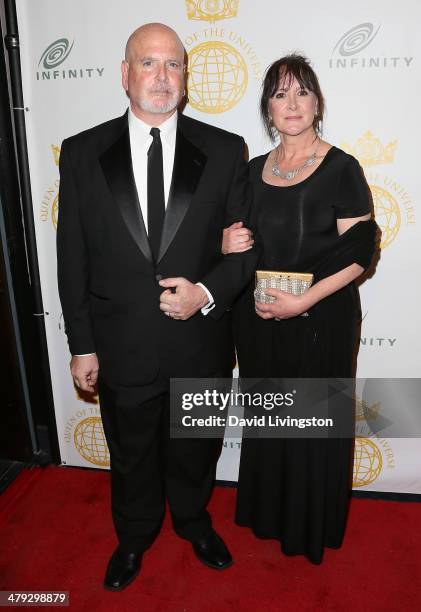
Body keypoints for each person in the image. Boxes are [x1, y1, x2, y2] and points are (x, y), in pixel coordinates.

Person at [57, 23, 258, 590]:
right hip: (121, 346)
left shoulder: (224, 151)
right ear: (126, 74)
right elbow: (72, 258)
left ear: (187, 78)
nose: (162, 76)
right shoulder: (81, 152)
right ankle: (135, 536)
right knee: (132, 456)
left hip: (200, 341)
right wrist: (82, 344)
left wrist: (205, 293)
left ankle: (195, 523)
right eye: (149, 63)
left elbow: (244, 254)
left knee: (196, 449)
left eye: (173, 65)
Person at [222, 54, 378, 564]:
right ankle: (269, 515)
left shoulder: (341, 168)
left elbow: (360, 253)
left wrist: (305, 300)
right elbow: (241, 241)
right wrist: (228, 243)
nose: (292, 104)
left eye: (302, 92)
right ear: (268, 107)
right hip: (263, 321)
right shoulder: (250, 172)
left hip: (321, 320)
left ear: (317, 103)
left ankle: (309, 528)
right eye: (280, 94)